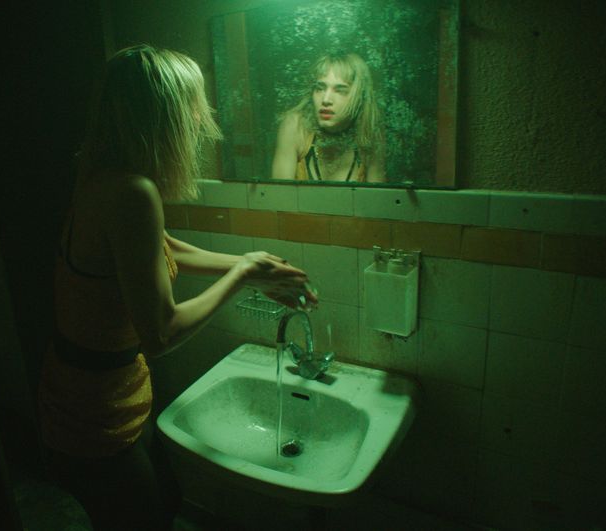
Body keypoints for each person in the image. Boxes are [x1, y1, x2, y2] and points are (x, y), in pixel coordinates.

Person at [37, 44, 317, 530]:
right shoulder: (132, 193)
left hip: (91, 396)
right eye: (191, 105)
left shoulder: (105, 179)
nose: (200, 119)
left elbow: (167, 251)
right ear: (161, 113)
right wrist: (243, 276)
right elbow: (161, 333)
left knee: (160, 502)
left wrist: (253, 265)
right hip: (92, 415)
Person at [271, 52, 386, 183]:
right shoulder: (295, 126)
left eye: (340, 90)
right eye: (320, 88)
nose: (326, 100)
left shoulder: (370, 132)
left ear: (359, 97)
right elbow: (280, 198)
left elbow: (377, 200)